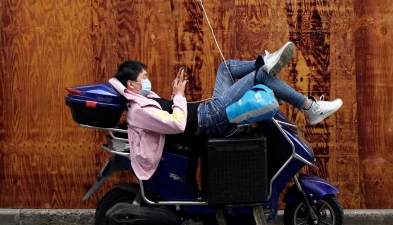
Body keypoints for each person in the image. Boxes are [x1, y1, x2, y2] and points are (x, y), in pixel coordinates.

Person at [108, 41, 342, 180]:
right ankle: (311, 107)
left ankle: (263, 63)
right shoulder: (138, 110)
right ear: (131, 85)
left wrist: (174, 96)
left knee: (226, 67)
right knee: (259, 77)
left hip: (207, 111)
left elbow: (171, 114)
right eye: (144, 78)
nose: (148, 81)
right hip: (209, 120)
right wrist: (178, 96)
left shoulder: (142, 99)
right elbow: (177, 124)